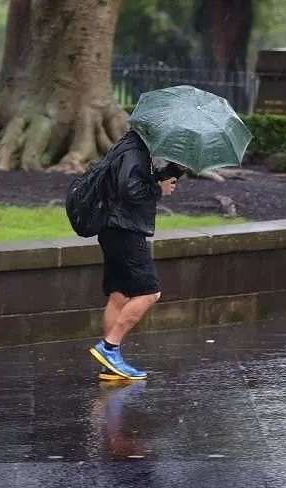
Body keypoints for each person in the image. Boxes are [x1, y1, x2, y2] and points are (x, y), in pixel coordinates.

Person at [89, 129, 185, 381]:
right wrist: (158, 188)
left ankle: (110, 363)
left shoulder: (130, 147)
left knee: (119, 295)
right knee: (149, 292)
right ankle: (109, 348)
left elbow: (133, 181)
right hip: (125, 230)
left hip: (113, 227)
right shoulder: (135, 152)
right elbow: (130, 188)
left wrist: (169, 173)